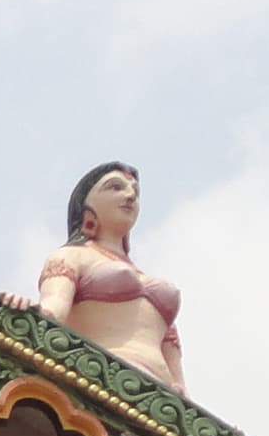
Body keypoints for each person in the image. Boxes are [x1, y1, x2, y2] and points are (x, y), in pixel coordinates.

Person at [35, 162, 185, 392]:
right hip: (103, 376)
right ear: (86, 207)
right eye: (115, 187)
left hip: (163, 394)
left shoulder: (144, 276)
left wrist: (181, 393)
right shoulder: (72, 256)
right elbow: (53, 310)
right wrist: (22, 311)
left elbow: (173, 362)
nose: (129, 196)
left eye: (135, 192)